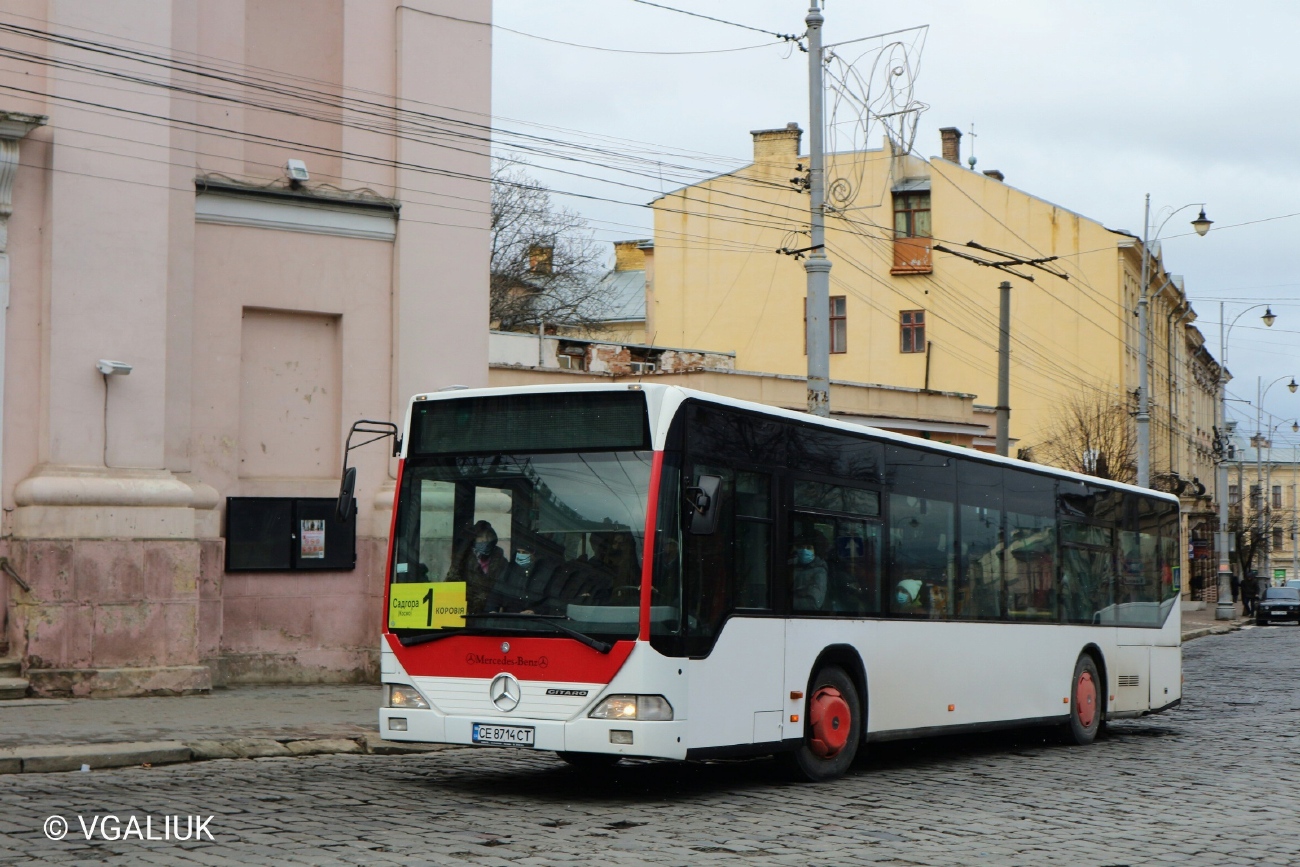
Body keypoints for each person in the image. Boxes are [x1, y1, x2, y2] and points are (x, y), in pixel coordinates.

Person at [446, 520, 509, 613]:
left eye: (488, 537)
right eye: (480, 537)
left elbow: (506, 590)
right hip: (467, 614)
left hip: (493, 615)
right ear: (473, 540)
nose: (485, 540)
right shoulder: (462, 561)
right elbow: (451, 586)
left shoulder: (502, 562)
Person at [790, 534, 828, 611]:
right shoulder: (791, 565)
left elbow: (813, 604)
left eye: (809, 548)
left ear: (815, 551)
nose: (804, 550)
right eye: (801, 547)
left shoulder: (820, 572)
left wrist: (787, 602)